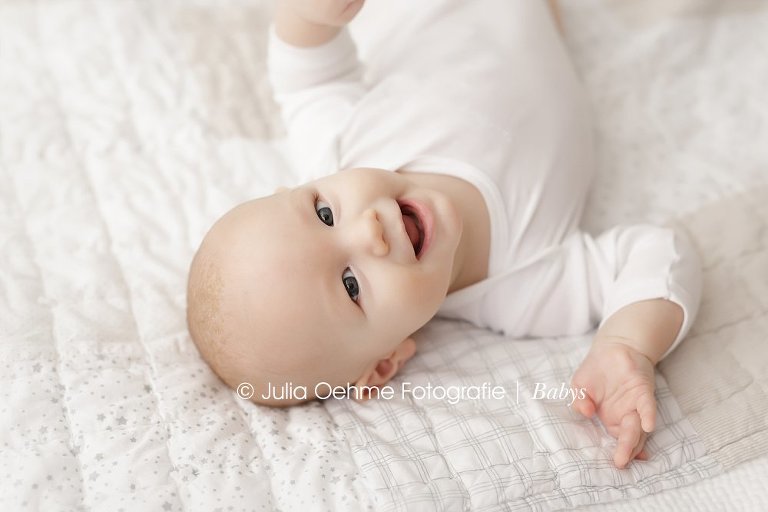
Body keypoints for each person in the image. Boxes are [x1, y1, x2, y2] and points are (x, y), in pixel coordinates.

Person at [186, 0, 702, 469]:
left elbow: (308, 80)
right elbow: (659, 253)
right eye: (351, 285)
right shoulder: (524, 285)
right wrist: (627, 343)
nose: (369, 230)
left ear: (303, 187)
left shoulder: (339, 152)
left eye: (323, 214)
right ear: (385, 362)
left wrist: (309, 17)